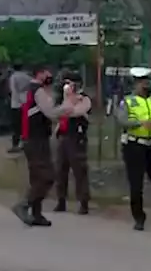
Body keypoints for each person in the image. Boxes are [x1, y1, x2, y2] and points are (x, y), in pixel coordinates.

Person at [11, 65, 78, 227]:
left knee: (36, 176)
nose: (51, 76)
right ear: (40, 73)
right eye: (48, 73)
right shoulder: (38, 91)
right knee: (47, 176)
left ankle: (36, 213)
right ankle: (25, 204)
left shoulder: (31, 90)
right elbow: (50, 112)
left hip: (31, 137)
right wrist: (68, 108)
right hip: (36, 139)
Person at [115, 67, 151, 235]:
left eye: (147, 81)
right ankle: (139, 218)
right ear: (136, 84)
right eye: (143, 82)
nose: (146, 84)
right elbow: (122, 120)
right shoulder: (128, 102)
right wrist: (141, 123)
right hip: (134, 146)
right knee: (136, 185)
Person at [53, 71, 93, 215]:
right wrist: (67, 101)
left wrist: (69, 102)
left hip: (77, 137)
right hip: (63, 136)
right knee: (60, 170)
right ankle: (61, 200)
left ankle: (83, 202)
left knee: (79, 170)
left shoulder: (84, 98)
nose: (67, 86)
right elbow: (56, 112)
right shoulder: (63, 98)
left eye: (69, 83)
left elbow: (76, 112)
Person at [7, 63, 32, 153]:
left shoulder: (13, 77)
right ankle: (25, 143)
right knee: (25, 124)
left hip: (16, 103)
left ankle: (15, 145)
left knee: (16, 125)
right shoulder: (27, 77)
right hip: (26, 102)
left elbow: (13, 89)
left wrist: (17, 99)